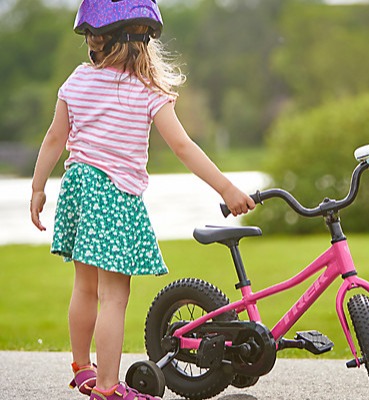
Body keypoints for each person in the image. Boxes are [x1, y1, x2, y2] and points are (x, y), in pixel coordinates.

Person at [29, 1, 255, 399]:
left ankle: (83, 367)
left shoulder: (78, 79)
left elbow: (54, 138)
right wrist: (226, 188)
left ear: (103, 41)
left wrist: (37, 187)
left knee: (84, 287)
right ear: (142, 41)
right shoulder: (147, 90)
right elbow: (183, 147)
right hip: (114, 195)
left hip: (79, 186)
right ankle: (108, 388)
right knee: (114, 296)